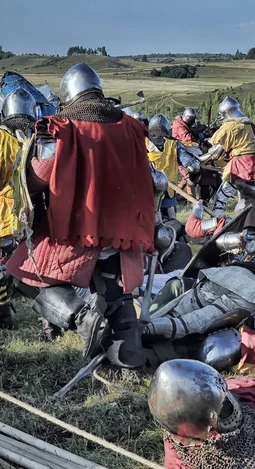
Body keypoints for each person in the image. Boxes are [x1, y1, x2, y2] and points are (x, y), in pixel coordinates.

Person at [6, 63, 155, 368]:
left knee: (24, 275)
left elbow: (38, 177)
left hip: (76, 229)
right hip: (122, 234)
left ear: (68, 95)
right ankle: (129, 358)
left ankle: (82, 319)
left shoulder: (61, 127)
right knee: (119, 298)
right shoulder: (131, 126)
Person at [207, 97, 255, 232]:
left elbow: (216, 152)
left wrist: (199, 159)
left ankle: (218, 229)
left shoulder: (231, 126)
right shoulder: (249, 125)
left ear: (225, 113)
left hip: (240, 167)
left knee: (221, 198)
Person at [0, 88, 37, 329]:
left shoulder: (13, 140)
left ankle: (5, 315)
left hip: (9, 216)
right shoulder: (19, 140)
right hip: (15, 215)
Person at [147, 114, 201, 220]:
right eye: (155, 134)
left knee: (171, 216)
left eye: (159, 133)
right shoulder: (143, 144)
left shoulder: (173, 145)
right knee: (151, 217)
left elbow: (184, 157)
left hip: (168, 188)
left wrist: (189, 164)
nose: (157, 137)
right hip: (148, 189)